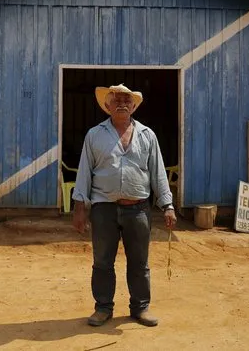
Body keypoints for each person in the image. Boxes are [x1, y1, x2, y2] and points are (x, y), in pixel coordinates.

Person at [72, 84, 177, 328]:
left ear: (133, 105)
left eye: (126, 100)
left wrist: (168, 205)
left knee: (139, 262)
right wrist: (80, 208)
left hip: (138, 209)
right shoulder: (94, 135)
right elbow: (84, 173)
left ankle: (140, 308)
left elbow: (158, 173)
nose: (122, 103)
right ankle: (103, 308)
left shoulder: (147, 135)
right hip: (103, 208)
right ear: (107, 105)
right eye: (116, 99)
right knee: (102, 262)